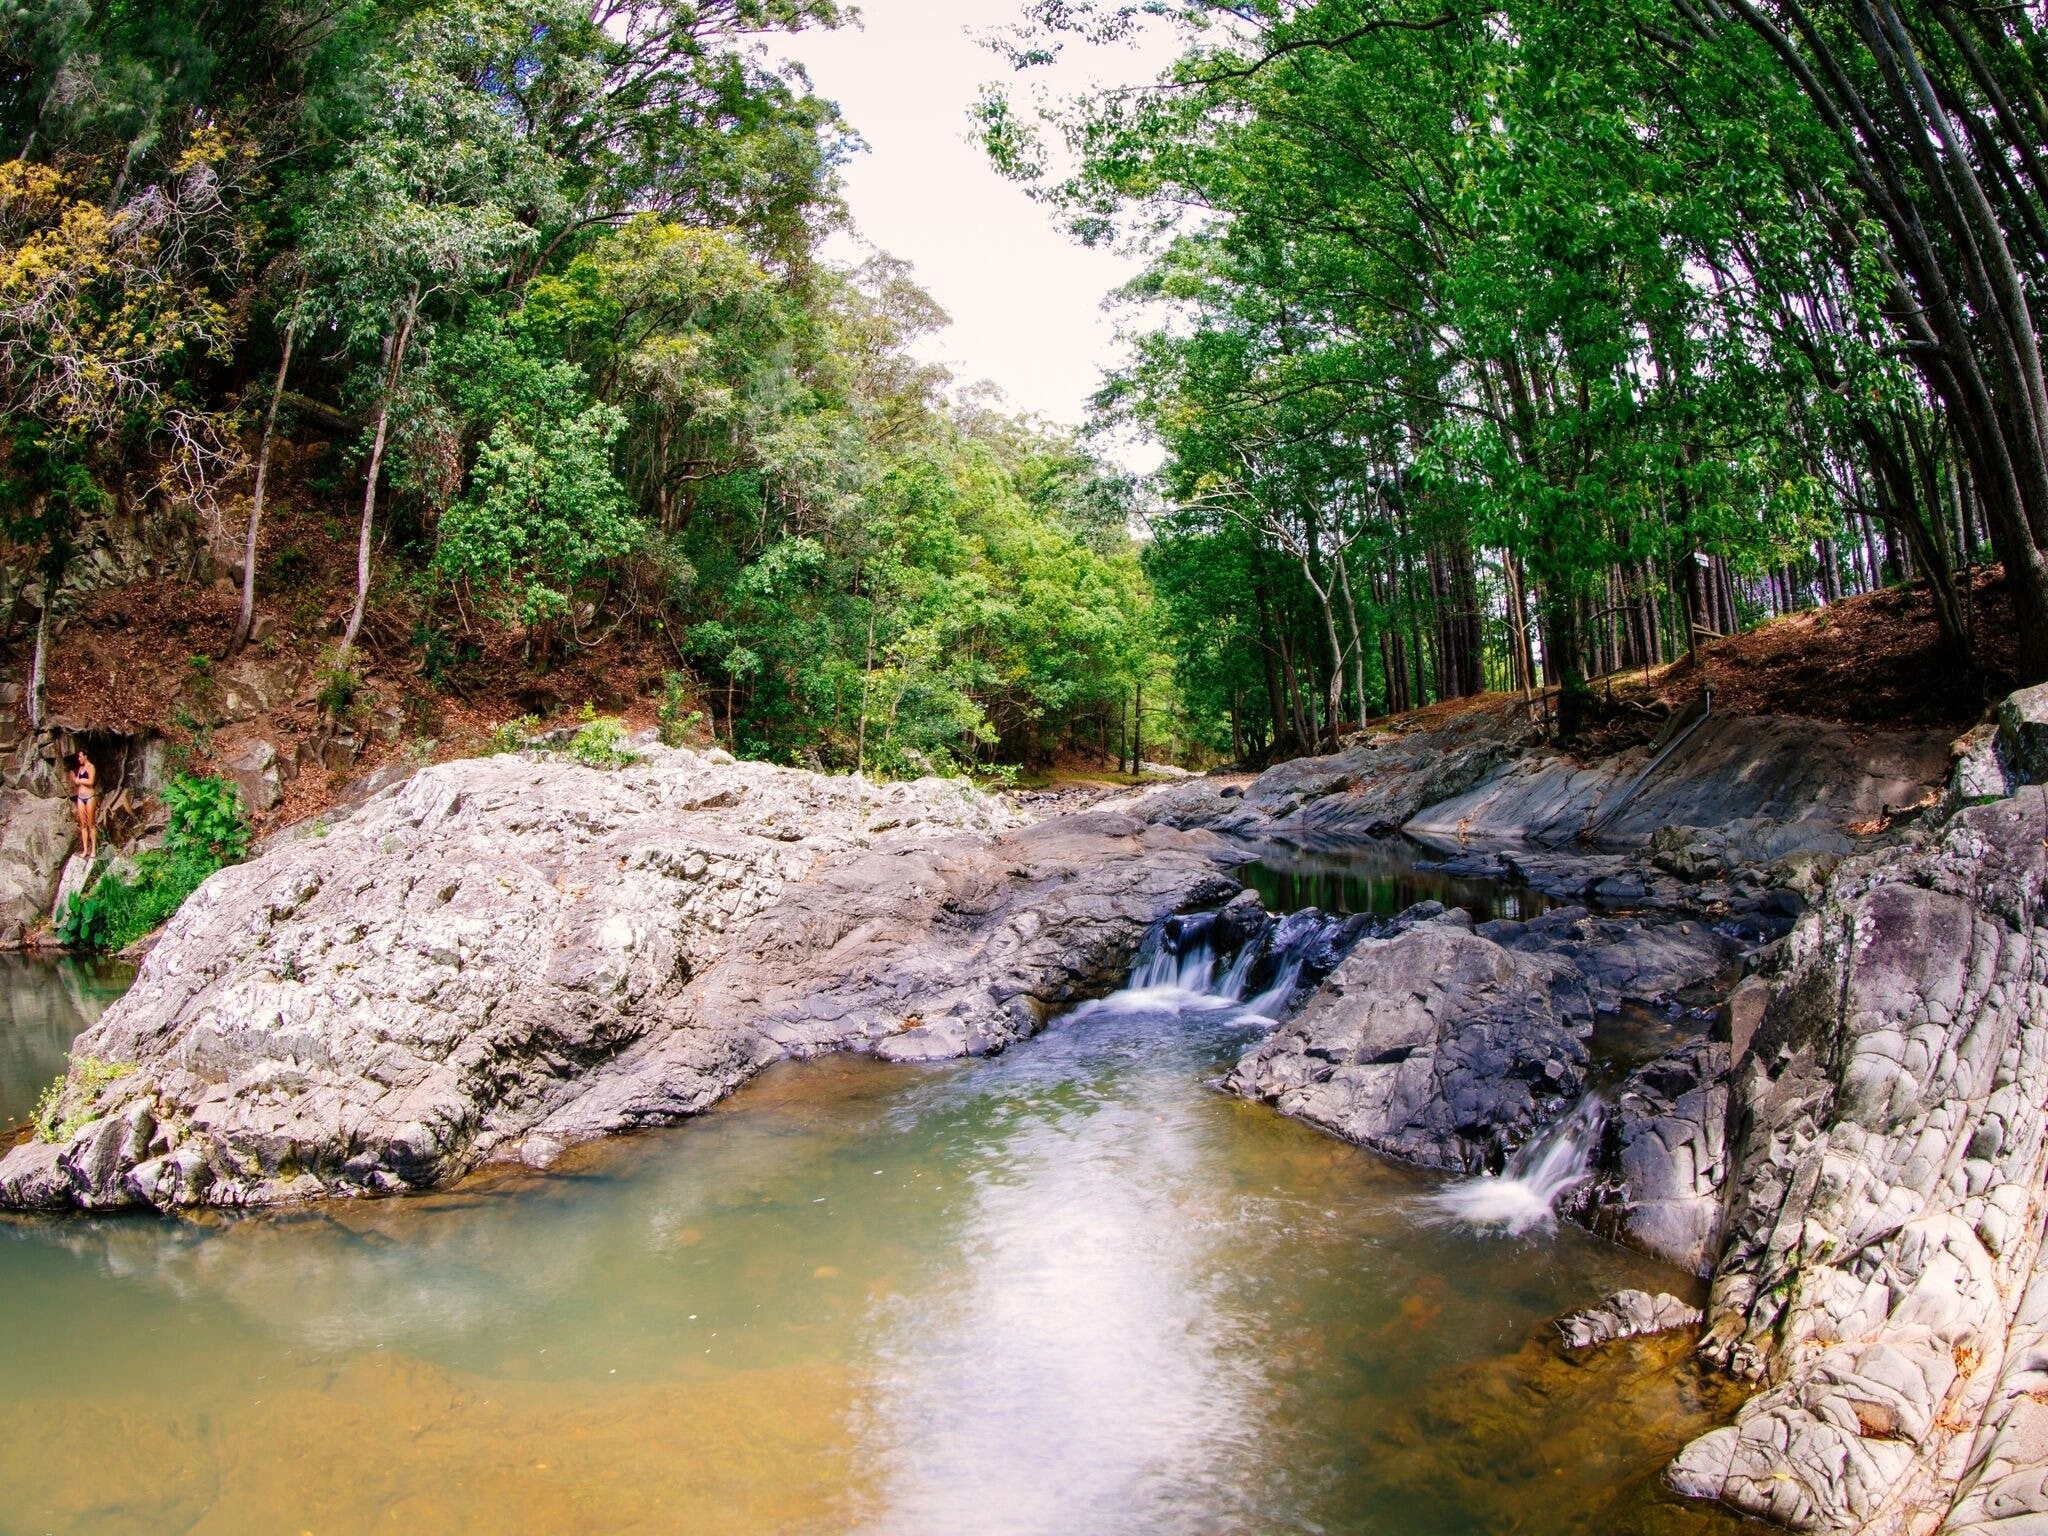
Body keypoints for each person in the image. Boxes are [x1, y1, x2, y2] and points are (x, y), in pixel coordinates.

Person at [69, 748, 96, 860]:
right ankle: (85, 849)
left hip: (90, 797)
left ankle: (94, 849)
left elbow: (90, 782)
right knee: (83, 824)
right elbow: (77, 783)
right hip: (81, 798)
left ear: (85, 756)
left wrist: (79, 780)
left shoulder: (91, 767)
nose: (79, 759)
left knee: (91, 824)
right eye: (78, 757)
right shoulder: (80, 768)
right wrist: (74, 778)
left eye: (81, 756)